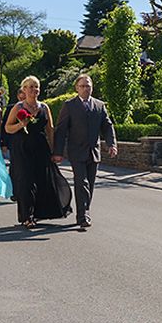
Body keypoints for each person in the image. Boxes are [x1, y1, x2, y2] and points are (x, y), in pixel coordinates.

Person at [4, 75, 72, 228]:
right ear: (24, 89)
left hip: (41, 148)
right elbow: (7, 128)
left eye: (36, 87)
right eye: (30, 87)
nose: (34, 89)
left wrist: (55, 150)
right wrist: (21, 125)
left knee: (42, 179)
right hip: (22, 149)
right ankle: (26, 216)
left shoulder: (44, 107)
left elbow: (50, 130)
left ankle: (38, 212)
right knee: (26, 181)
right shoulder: (18, 108)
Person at [52, 74, 117, 229]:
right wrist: (58, 152)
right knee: (81, 183)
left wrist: (111, 144)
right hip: (76, 152)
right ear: (77, 88)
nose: (85, 89)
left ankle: (85, 210)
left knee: (90, 184)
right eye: (82, 86)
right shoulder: (69, 105)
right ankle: (83, 216)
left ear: (92, 88)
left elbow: (107, 126)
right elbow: (61, 130)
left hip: (93, 152)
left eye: (88, 86)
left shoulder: (99, 105)